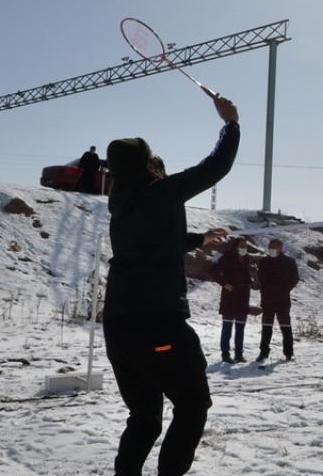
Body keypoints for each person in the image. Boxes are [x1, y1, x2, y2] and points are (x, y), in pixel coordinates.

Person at [101, 93, 239, 476]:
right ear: (147, 165)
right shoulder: (159, 193)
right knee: (193, 405)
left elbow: (158, 239)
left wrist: (199, 240)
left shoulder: (122, 205)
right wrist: (230, 123)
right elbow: (215, 167)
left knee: (144, 419)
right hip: (157, 327)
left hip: (119, 329)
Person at [257, 237, 300, 362]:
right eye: (271, 246)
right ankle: (263, 352)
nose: (272, 249)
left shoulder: (289, 261)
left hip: (282, 300)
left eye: (275, 246)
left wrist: (285, 289)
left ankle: (288, 353)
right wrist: (265, 291)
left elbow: (295, 278)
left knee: (285, 326)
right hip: (267, 299)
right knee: (266, 327)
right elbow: (261, 278)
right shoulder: (263, 261)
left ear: (281, 248)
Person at [213, 236, 253, 363]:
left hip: (243, 298)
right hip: (229, 298)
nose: (243, 248)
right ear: (235, 246)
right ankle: (225, 355)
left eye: (245, 246)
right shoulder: (227, 257)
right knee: (227, 328)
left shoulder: (247, 258)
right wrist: (224, 283)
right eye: (241, 245)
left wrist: (250, 282)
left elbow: (246, 275)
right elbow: (214, 271)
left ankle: (239, 355)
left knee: (240, 328)